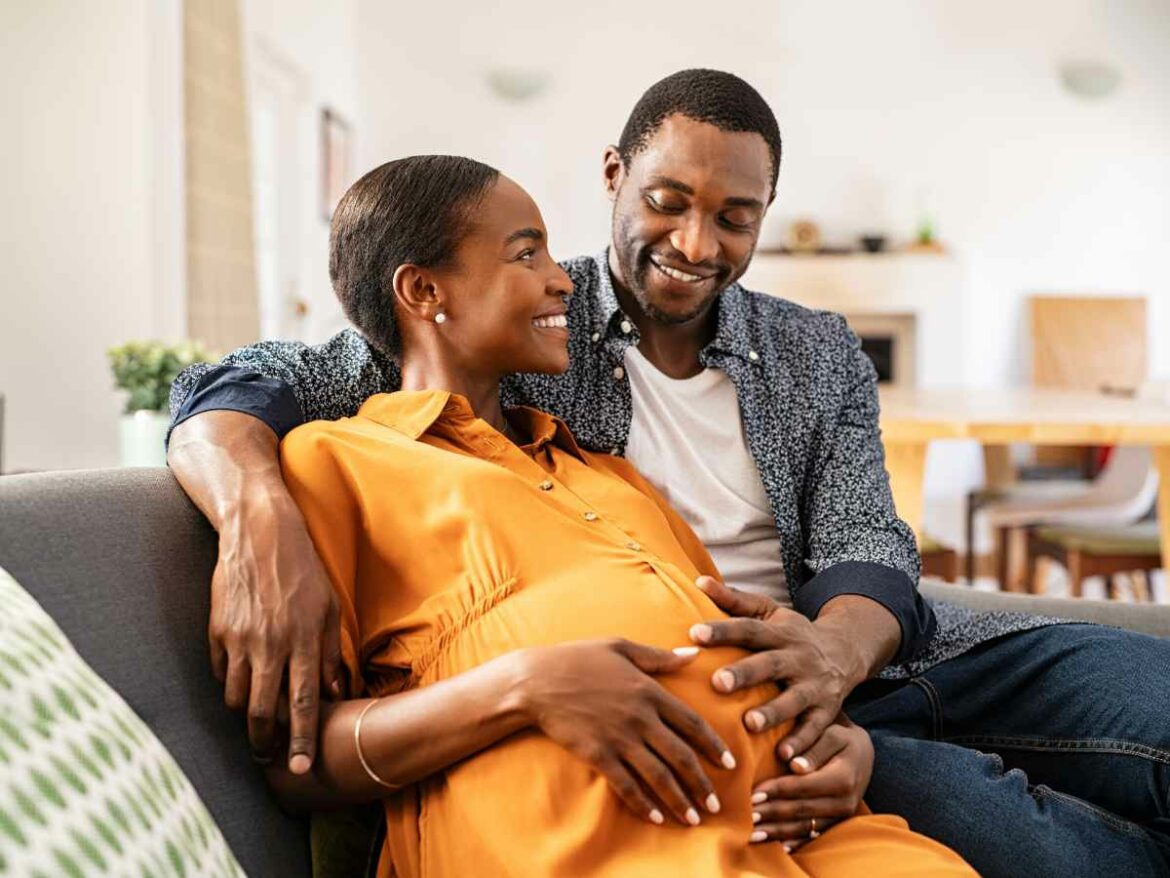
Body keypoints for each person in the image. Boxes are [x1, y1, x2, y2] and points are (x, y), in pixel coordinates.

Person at [168, 69, 1170, 877]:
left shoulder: (813, 348)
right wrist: (257, 505)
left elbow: (867, 538)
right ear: (613, 174)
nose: (698, 242)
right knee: (1019, 830)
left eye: (737, 217)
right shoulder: (522, 328)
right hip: (744, 714)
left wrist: (830, 655)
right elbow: (244, 381)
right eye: (669, 201)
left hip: (859, 656)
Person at [263, 151, 975, 877]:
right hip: (592, 843)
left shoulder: (606, 474)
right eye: (525, 252)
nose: (562, 279)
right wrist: (520, 688)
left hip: (805, 826)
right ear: (422, 290)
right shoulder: (339, 462)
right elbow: (299, 762)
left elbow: (741, 641)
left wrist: (840, 739)